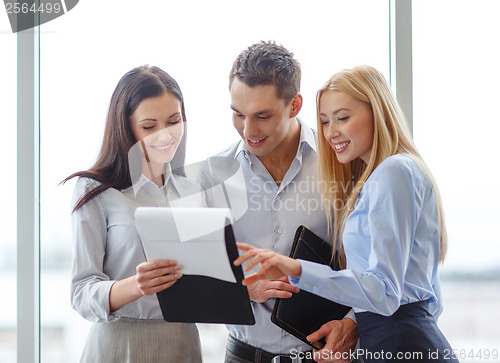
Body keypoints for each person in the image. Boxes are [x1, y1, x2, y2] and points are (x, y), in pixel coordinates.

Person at [234, 65, 459, 363]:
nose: (331, 132)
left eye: (343, 118)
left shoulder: (393, 171)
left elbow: (384, 292)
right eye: (325, 121)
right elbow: (430, 298)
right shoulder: (383, 175)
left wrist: (296, 269)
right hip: (391, 340)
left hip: (397, 341)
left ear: (377, 112)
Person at [199, 41, 359, 363]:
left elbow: (374, 264)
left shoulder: (343, 164)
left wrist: (355, 322)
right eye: (238, 114)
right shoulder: (211, 175)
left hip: (327, 355)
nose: (248, 130)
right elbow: (196, 280)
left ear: (295, 104)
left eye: (262, 116)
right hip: (243, 355)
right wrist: (245, 291)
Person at [63, 65, 204, 362]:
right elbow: (81, 292)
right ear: (125, 127)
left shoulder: (192, 189)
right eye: (149, 126)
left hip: (183, 341)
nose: (165, 136)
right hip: (119, 344)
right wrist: (135, 286)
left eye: (174, 121)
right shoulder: (96, 190)